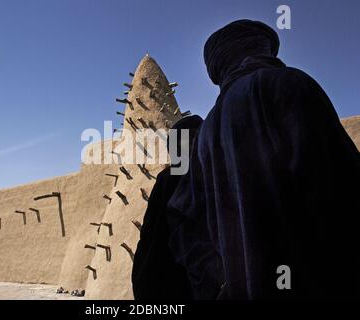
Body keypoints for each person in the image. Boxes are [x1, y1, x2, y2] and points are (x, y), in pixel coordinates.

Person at [167, 19, 360, 299]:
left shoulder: (207, 130)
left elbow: (187, 220)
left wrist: (221, 280)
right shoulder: (287, 84)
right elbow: (341, 185)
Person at [132, 115, 203, 300]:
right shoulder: (173, 180)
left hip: (168, 282)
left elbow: (149, 239)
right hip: (179, 281)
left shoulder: (169, 179)